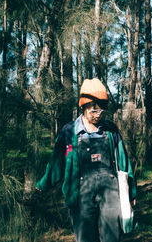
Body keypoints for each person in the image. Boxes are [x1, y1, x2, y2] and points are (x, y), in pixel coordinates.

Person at [35, 78, 136, 242]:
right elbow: (56, 163)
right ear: (83, 106)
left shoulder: (111, 131)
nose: (98, 114)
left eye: (101, 110)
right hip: (80, 194)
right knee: (85, 238)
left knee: (112, 238)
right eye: (93, 110)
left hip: (110, 193)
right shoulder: (69, 132)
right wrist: (43, 184)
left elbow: (123, 162)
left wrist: (131, 191)